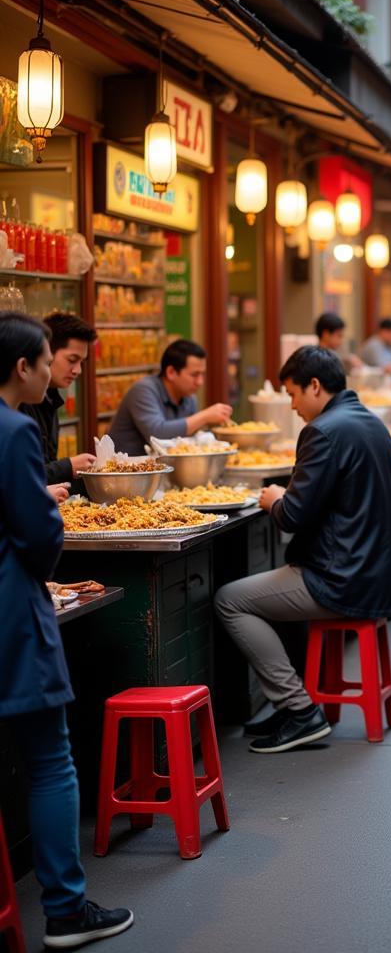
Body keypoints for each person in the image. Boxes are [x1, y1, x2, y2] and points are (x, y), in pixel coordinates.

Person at [0, 312, 134, 949]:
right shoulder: (14, 430)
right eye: (49, 358)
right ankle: (65, 909)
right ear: (23, 368)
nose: (56, 369)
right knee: (51, 760)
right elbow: (38, 536)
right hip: (11, 615)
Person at [214, 346, 391, 753]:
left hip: (342, 578)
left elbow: (293, 517)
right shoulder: (370, 422)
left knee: (230, 600)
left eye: (292, 394)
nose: (292, 406)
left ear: (315, 386)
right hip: (380, 573)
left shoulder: (322, 431)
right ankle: (290, 705)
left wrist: (274, 499)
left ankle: (299, 709)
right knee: (270, 591)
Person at [107, 340, 232, 456]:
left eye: (202, 375)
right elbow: (157, 434)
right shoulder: (144, 390)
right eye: (194, 375)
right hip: (126, 472)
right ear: (171, 372)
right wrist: (204, 417)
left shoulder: (189, 398)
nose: (200, 382)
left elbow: (185, 443)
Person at [20, 312, 97, 486]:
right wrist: (68, 466)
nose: (78, 370)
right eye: (72, 360)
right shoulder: (19, 403)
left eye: (81, 362)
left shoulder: (50, 398)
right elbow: (20, 478)